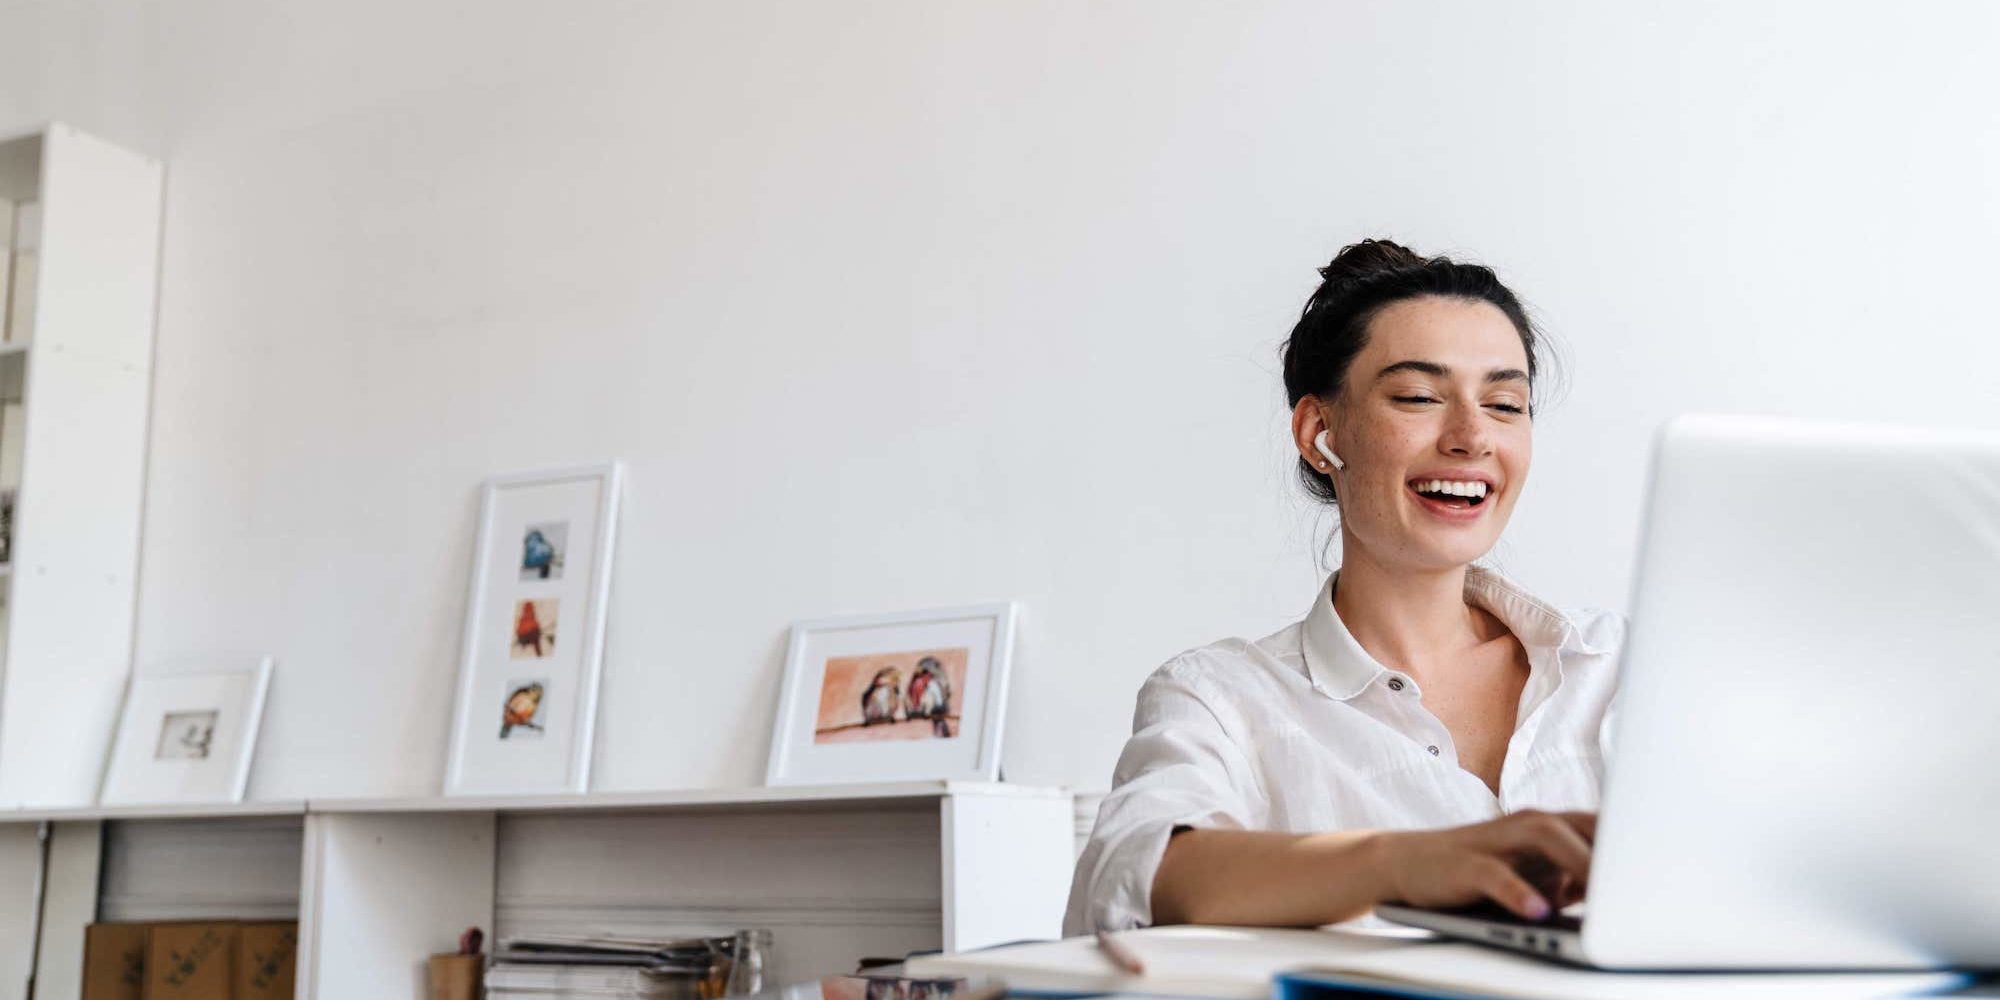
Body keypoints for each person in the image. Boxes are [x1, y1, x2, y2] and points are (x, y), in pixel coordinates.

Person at [1064, 239, 1623, 935]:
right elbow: (1137, 875)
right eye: (1419, 396)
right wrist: (1405, 865)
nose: (1473, 436)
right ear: (1320, 433)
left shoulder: (1622, 671)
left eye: (1506, 404)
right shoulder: (1221, 698)